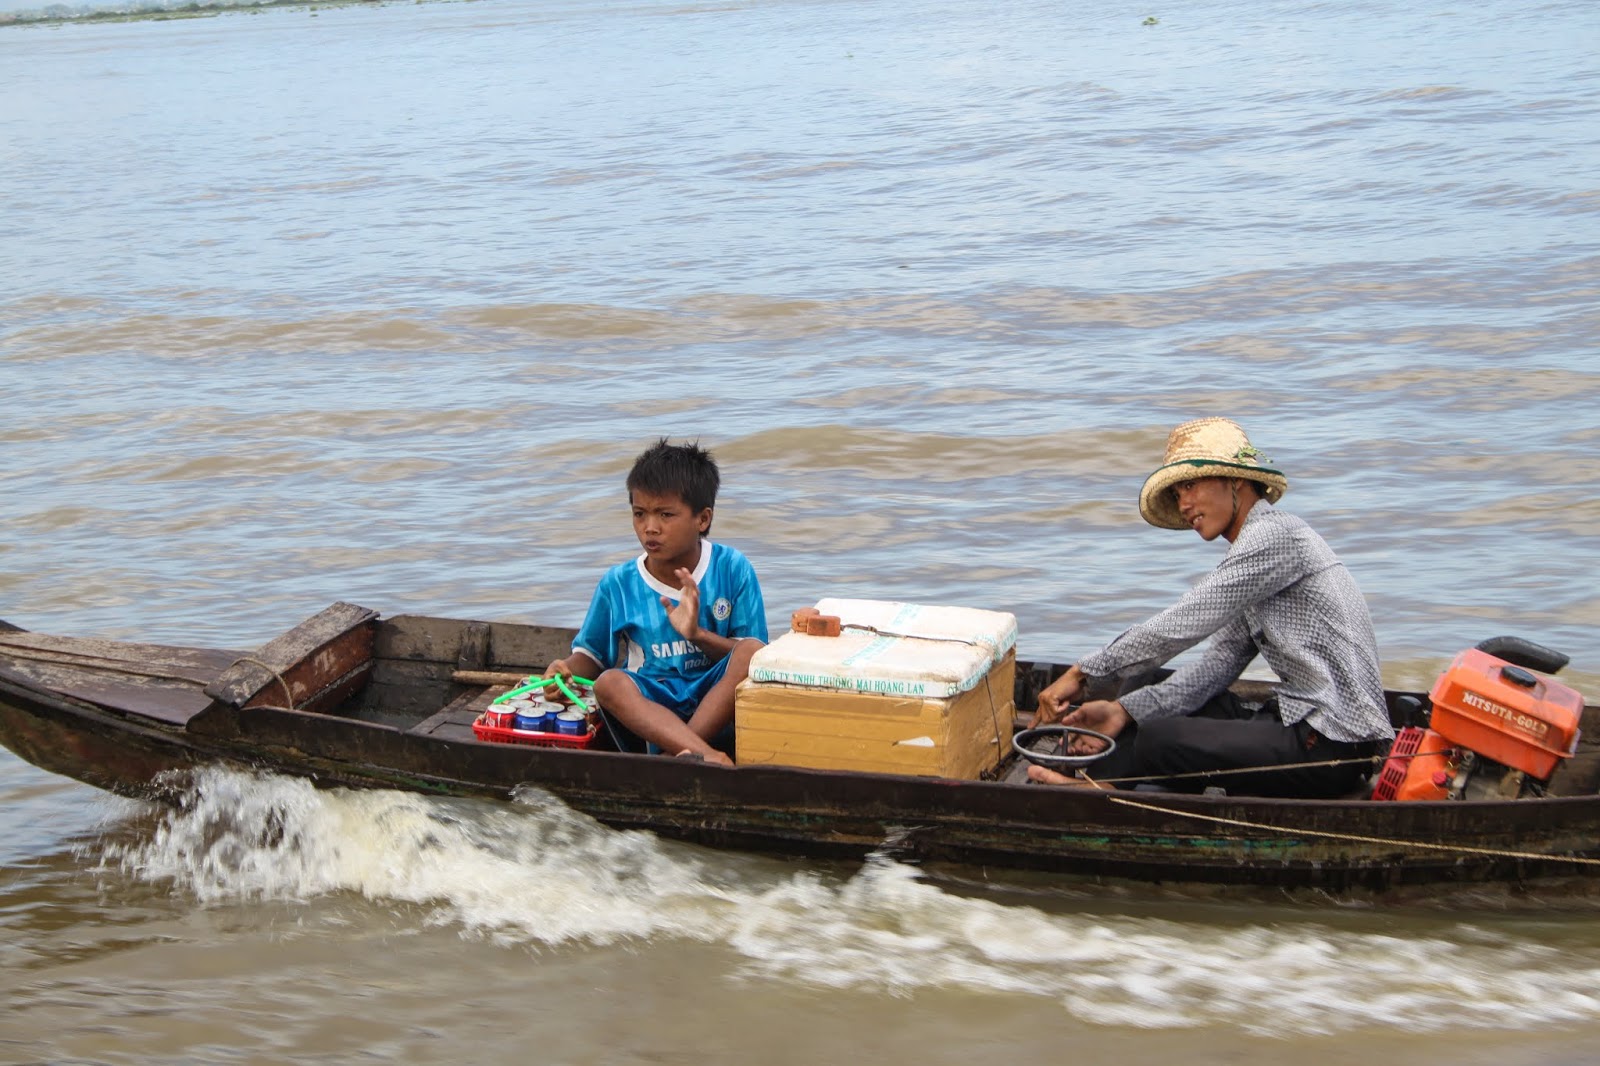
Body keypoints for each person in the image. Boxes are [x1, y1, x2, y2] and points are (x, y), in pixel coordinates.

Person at [1029, 417, 1394, 798]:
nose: (1184, 504)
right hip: (1295, 718)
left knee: (1158, 736)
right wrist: (1123, 710)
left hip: (1331, 745)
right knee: (1146, 687)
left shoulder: (1274, 537)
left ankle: (1098, 789)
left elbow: (1181, 625)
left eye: (1190, 486)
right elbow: (1216, 667)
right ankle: (1103, 781)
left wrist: (1083, 672)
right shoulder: (1255, 553)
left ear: (1235, 481)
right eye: (1177, 494)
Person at [544, 438, 768, 766]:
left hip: (715, 704)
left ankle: (677, 755)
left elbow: (757, 661)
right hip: (652, 707)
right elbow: (591, 656)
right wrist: (564, 670)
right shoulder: (618, 584)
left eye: (665, 514)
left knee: (750, 651)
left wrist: (698, 636)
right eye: (640, 514)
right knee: (610, 683)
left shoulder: (732, 568)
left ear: (702, 519)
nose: (650, 528)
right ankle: (703, 754)